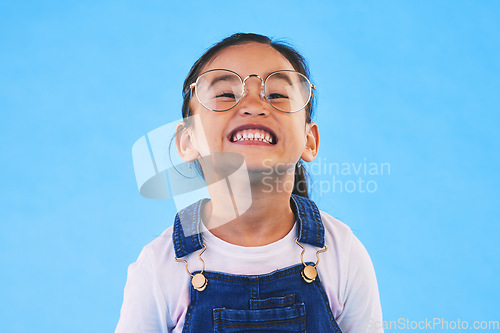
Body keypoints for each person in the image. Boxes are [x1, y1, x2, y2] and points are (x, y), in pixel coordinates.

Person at [116, 33, 383, 333]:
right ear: (188, 141)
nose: (253, 105)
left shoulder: (341, 252)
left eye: (278, 95)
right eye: (226, 95)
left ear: (309, 140)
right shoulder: (160, 267)